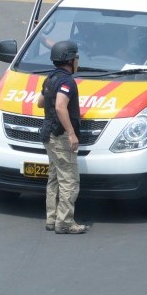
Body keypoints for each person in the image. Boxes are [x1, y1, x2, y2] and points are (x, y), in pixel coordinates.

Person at [36, 40, 90, 234]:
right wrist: (72, 132)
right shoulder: (67, 81)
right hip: (60, 137)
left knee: (54, 178)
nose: (78, 61)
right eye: (76, 57)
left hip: (48, 134)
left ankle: (52, 219)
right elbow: (60, 106)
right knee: (69, 180)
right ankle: (65, 222)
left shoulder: (50, 78)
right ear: (69, 60)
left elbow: (41, 103)